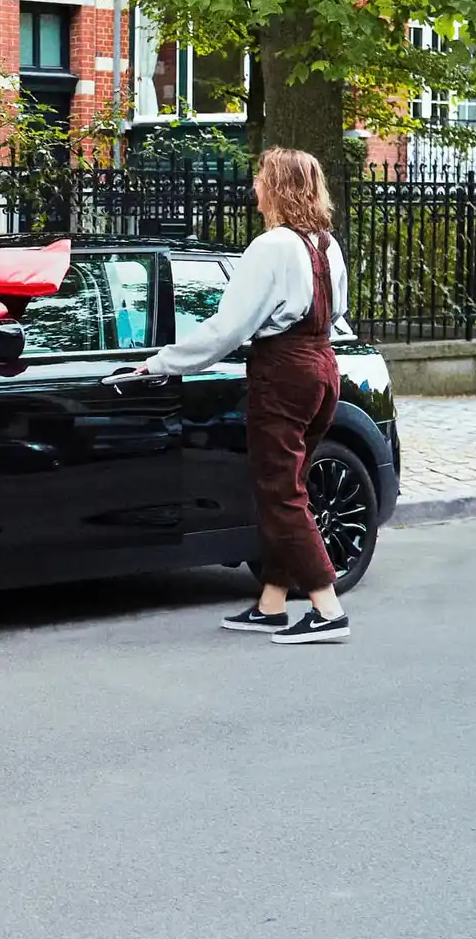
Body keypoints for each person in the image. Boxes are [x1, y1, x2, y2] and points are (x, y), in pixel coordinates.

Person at [133, 147, 355, 643]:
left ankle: (326, 607)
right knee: (288, 486)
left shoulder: (271, 247)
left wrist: (162, 361)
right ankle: (273, 602)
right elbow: (336, 313)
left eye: (259, 178)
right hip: (324, 367)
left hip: (283, 374)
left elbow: (227, 329)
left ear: (275, 187)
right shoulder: (326, 244)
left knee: (281, 492)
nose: (254, 187)